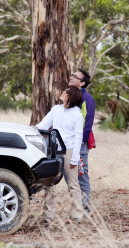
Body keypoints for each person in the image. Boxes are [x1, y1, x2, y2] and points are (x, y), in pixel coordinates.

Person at [36, 86, 85, 222]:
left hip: (69, 151)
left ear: (71, 97)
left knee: (73, 184)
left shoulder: (77, 115)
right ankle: (48, 215)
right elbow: (44, 124)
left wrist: (75, 158)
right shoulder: (56, 109)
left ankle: (77, 214)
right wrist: (35, 128)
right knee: (50, 183)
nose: (63, 92)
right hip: (53, 149)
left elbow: (78, 138)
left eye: (66, 92)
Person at [69, 68, 95, 213]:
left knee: (81, 175)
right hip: (67, 143)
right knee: (70, 176)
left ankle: (84, 209)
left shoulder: (88, 100)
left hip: (80, 144)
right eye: (72, 75)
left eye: (75, 76)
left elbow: (88, 123)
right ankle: (76, 207)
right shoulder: (70, 96)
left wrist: (82, 142)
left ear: (82, 83)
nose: (71, 77)